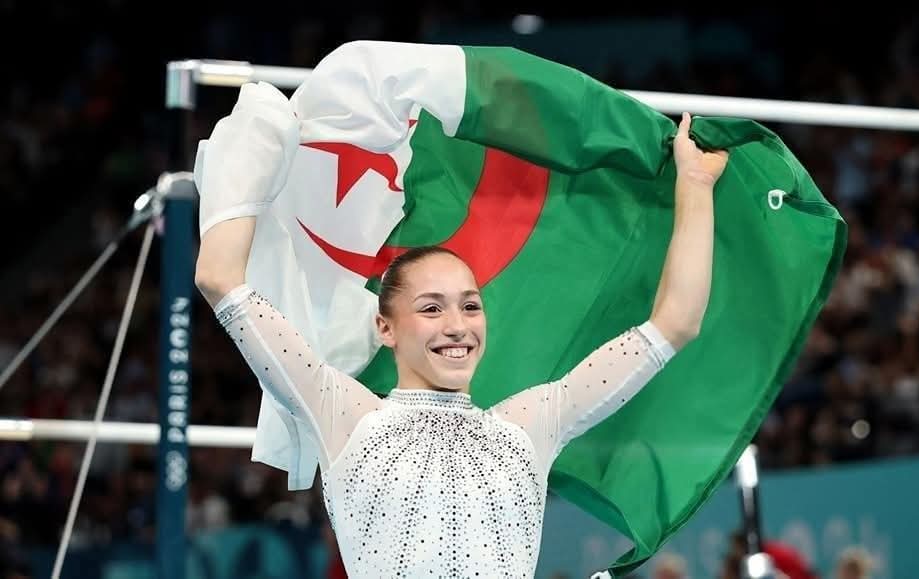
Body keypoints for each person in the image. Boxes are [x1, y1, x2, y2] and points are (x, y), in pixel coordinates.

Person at [193, 110, 727, 577]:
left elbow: (674, 324)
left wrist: (696, 185)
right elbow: (219, 278)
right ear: (385, 328)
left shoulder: (530, 425)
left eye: (470, 306)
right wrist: (257, 140)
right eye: (431, 308)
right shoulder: (344, 415)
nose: (457, 325)